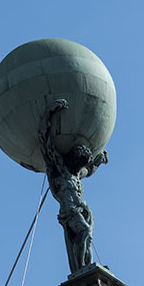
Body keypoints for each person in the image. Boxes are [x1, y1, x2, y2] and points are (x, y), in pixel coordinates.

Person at [38, 99, 108, 275]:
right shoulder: (61, 170)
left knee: (87, 237)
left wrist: (99, 160)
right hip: (70, 212)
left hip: (83, 210)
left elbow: (89, 170)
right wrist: (49, 113)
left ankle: (85, 267)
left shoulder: (75, 174)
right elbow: (45, 142)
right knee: (83, 231)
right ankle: (80, 268)